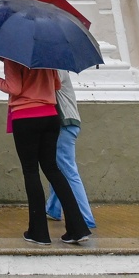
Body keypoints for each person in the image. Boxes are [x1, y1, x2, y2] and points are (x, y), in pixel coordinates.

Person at [0, 58, 91, 245]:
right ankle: (77, 227)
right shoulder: (48, 57)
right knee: (53, 169)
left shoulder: (14, 59)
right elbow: (57, 84)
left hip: (26, 117)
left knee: (31, 171)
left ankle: (39, 232)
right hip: (51, 115)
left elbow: (15, 88)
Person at [44, 71, 97, 230]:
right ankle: (53, 208)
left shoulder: (56, 68)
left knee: (68, 170)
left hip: (64, 123)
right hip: (68, 122)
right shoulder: (57, 65)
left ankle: (84, 217)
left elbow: (50, 85)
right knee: (58, 168)